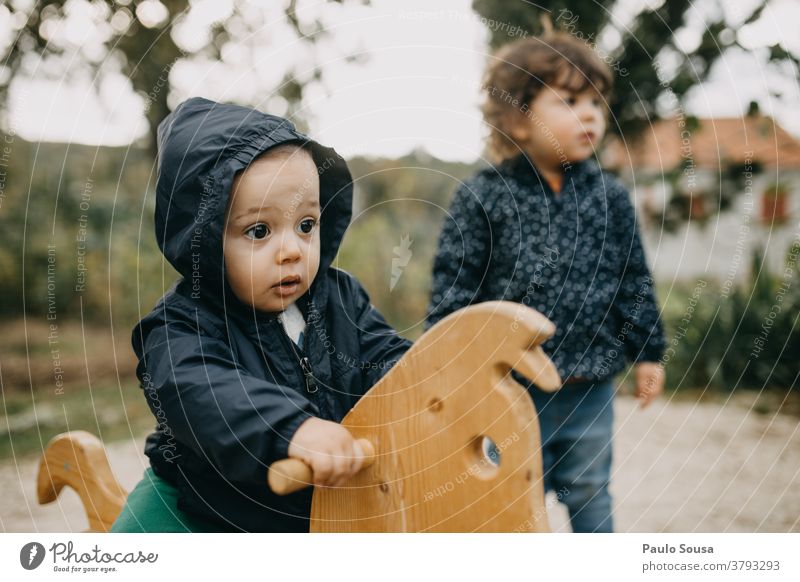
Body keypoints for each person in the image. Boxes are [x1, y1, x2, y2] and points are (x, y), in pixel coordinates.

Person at [112, 97, 411, 532]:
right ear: (206, 240)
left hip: (318, 505)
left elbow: (385, 357)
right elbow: (207, 392)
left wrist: (431, 383)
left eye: (306, 225)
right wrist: (292, 429)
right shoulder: (180, 328)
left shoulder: (339, 297)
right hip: (208, 509)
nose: (291, 250)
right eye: (259, 231)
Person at [426, 33, 666, 532]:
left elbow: (632, 279)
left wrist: (648, 352)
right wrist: (450, 365)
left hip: (589, 386)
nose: (592, 114)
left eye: (597, 102)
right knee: (506, 500)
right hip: (508, 386)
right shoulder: (484, 196)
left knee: (590, 490)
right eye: (571, 101)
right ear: (517, 118)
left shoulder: (611, 197)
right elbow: (455, 286)